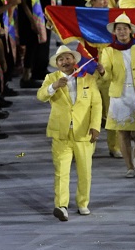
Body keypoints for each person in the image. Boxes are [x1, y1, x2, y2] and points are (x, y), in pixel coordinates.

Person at [36, 46, 102, 221]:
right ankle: (61, 206)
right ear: (57, 64)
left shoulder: (88, 78)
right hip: (61, 134)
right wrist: (53, 87)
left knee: (85, 171)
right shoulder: (51, 78)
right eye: (61, 60)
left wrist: (96, 126)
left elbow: (96, 104)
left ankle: (83, 203)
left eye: (68, 58)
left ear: (74, 61)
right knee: (61, 172)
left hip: (84, 133)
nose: (65, 62)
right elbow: (41, 96)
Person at [99, 14, 135, 178]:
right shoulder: (108, 50)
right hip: (119, 96)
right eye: (118, 29)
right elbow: (107, 76)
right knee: (123, 132)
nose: (121, 31)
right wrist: (102, 71)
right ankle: (129, 167)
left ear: (130, 30)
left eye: (124, 28)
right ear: (114, 32)